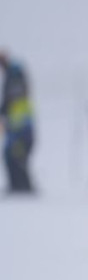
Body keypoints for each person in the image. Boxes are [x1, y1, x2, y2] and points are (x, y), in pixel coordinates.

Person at [0, 51, 36, 195]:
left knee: (16, 155)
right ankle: (18, 186)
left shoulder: (14, 74)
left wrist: (4, 108)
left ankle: (23, 187)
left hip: (21, 127)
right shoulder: (13, 74)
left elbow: (13, 97)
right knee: (12, 155)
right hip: (16, 125)